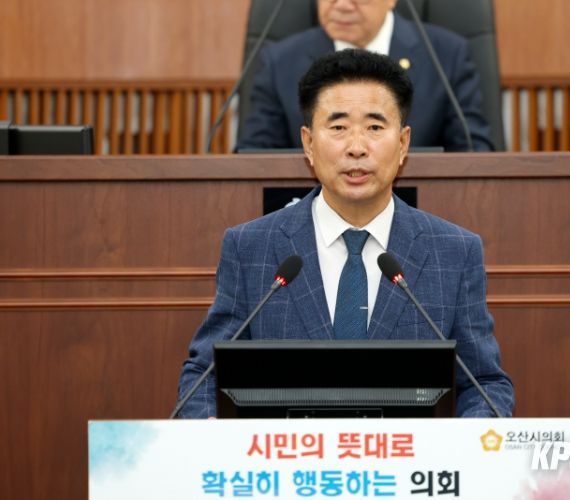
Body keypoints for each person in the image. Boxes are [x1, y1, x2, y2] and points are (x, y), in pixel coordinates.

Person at [177, 49, 513, 418]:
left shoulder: (453, 252)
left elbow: (484, 384)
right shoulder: (251, 248)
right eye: (338, 128)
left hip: (404, 456)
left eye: (374, 128)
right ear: (308, 144)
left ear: (403, 144)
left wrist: (466, 441)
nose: (356, 148)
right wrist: (207, 431)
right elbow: (203, 376)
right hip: (290, 455)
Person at [237, 0, 493, 152]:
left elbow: (473, 153)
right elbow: (255, 158)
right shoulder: (279, 62)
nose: (341, 5)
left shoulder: (446, 55)